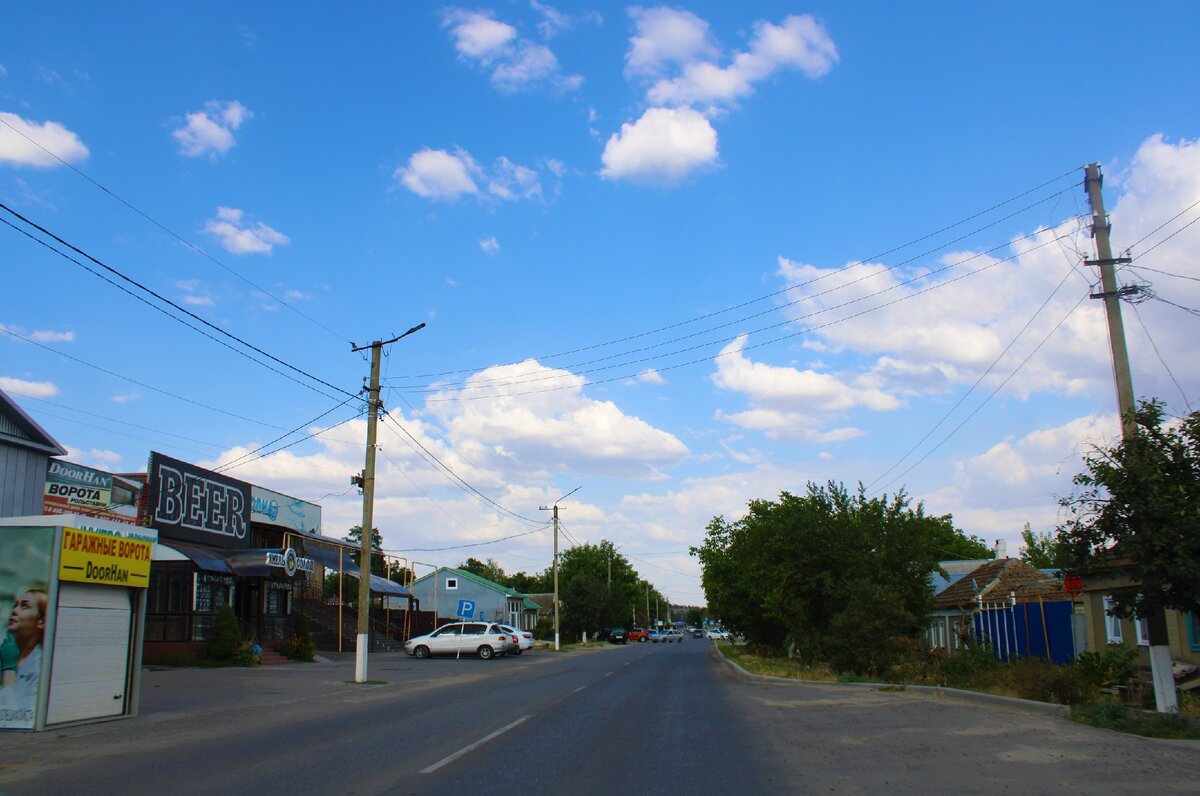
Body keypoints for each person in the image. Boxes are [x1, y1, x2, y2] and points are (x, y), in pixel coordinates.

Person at [1, 589, 46, 723]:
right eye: (15, 605)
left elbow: (15, 718)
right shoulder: (6, 652)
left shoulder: (41, 666)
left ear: (41, 622)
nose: (14, 610)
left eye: (24, 606)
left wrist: (8, 669)